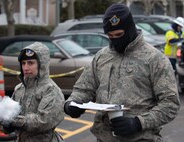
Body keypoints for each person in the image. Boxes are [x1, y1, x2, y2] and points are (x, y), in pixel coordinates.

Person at [64, 3, 180, 142]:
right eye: (111, 36)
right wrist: (72, 104)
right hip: (103, 138)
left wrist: (138, 123)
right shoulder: (101, 57)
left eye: (119, 34)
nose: (115, 39)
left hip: (141, 139)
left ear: (130, 29)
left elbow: (170, 104)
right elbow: (84, 89)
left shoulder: (155, 59)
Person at [0, 42, 65, 142]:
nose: (25, 68)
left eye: (30, 63)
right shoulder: (19, 89)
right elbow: (10, 117)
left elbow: (43, 121)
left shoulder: (51, 90)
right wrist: (4, 122)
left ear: (42, 65)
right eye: (23, 63)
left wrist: (14, 120)